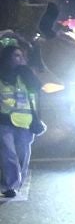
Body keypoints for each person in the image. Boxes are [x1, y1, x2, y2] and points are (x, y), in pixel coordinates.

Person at [0, 34, 47, 199]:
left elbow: (37, 91)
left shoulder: (27, 75)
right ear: (7, 58)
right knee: (8, 154)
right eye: (16, 56)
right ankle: (11, 185)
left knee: (22, 155)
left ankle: (16, 182)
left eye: (21, 56)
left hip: (26, 122)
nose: (20, 59)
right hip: (4, 121)